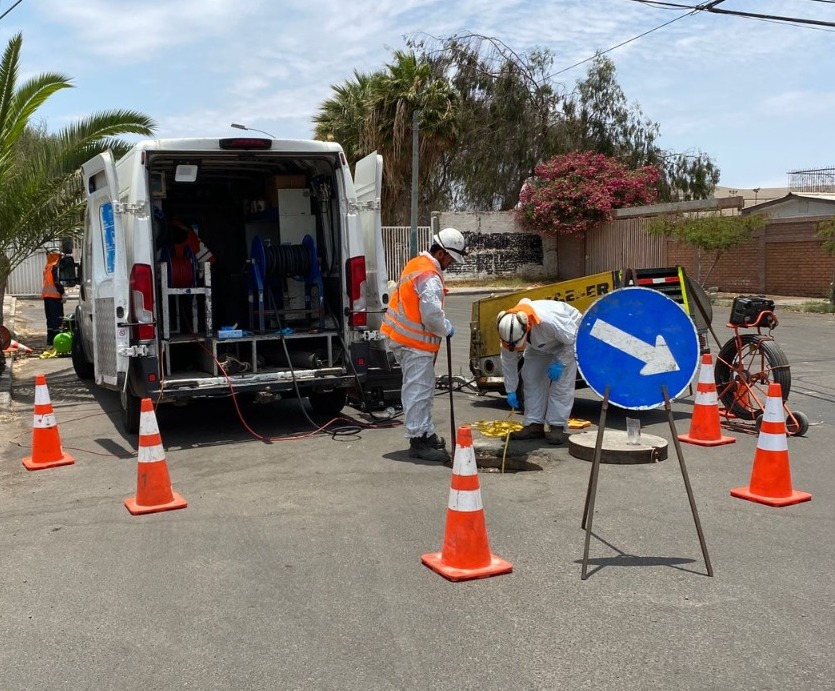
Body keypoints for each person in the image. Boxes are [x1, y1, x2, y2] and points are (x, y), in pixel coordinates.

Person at [382, 227, 468, 462]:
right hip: (413, 343)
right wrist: (446, 328)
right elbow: (431, 316)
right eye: (451, 258)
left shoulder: (418, 265)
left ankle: (426, 432)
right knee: (419, 391)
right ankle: (418, 440)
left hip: (407, 340)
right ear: (441, 253)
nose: (451, 263)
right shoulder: (429, 276)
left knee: (423, 389)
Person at [497, 297, 582, 444]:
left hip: (566, 342)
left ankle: (557, 425)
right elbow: (508, 360)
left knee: (561, 383)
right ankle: (534, 424)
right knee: (530, 376)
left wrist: (561, 363)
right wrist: (510, 389)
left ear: (527, 327)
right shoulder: (509, 331)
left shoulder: (549, 322)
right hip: (538, 344)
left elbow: (573, 339)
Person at [42, 248, 65, 347]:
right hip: (55, 296)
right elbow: (57, 282)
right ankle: (57, 340)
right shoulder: (56, 267)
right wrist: (63, 292)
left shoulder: (48, 267)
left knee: (50, 318)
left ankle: (50, 340)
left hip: (47, 296)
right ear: (56, 256)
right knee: (57, 318)